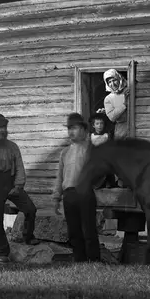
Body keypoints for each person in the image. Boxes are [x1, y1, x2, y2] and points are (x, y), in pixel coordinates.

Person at [0, 114, 39, 263]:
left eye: (3, 128)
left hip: (11, 183)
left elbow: (19, 168)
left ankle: (28, 236)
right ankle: (2, 251)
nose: (0, 131)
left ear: (6, 129)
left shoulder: (13, 147)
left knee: (31, 209)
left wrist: (18, 186)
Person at [52, 112, 101, 263]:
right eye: (69, 129)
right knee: (74, 230)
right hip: (69, 195)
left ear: (83, 130)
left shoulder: (90, 149)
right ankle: (79, 260)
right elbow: (60, 177)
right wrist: (56, 197)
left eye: (74, 128)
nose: (71, 132)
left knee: (89, 229)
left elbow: (100, 171)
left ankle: (94, 260)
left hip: (85, 192)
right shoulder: (65, 152)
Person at [99, 68, 130, 140]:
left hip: (138, 124)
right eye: (109, 82)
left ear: (119, 79)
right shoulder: (108, 98)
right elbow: (112, 117)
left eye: (114, 80)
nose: (112, 84)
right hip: (121, 129)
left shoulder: (128, 90)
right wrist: (124, 104)